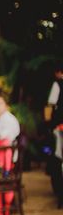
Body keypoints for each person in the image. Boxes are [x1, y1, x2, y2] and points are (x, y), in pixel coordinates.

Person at [44, 63, 63, 207]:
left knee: (58, 159)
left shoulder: (58, 84)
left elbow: (50, 106)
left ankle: (59, 194)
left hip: (59, 129)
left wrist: (49, 125)